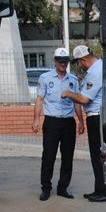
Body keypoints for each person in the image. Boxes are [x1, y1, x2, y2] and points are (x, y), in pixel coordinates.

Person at [61, 45, 106, 202]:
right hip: (104, 116)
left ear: (83, 60)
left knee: (99, 156)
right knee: (103, 155)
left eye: (78, 62)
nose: (78, 66)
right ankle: (102, 188)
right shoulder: (102, 68)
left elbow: (84, 99)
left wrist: (68, 94)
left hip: (99, 118)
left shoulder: (95, 72)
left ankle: (103, 191)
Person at [32, 47, 83, 201]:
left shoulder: (73, 80)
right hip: (51, 121)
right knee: (48, 155)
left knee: (67, 157)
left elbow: (77, 103)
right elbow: (40, 100)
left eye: (65, 61)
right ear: (55, 61)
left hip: (68, 122)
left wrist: (81, 121)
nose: (62, 63)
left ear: (68, 62)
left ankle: (63, 188)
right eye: (60, 61)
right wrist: (36, 119)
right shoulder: (45, 78)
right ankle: (46, 188)